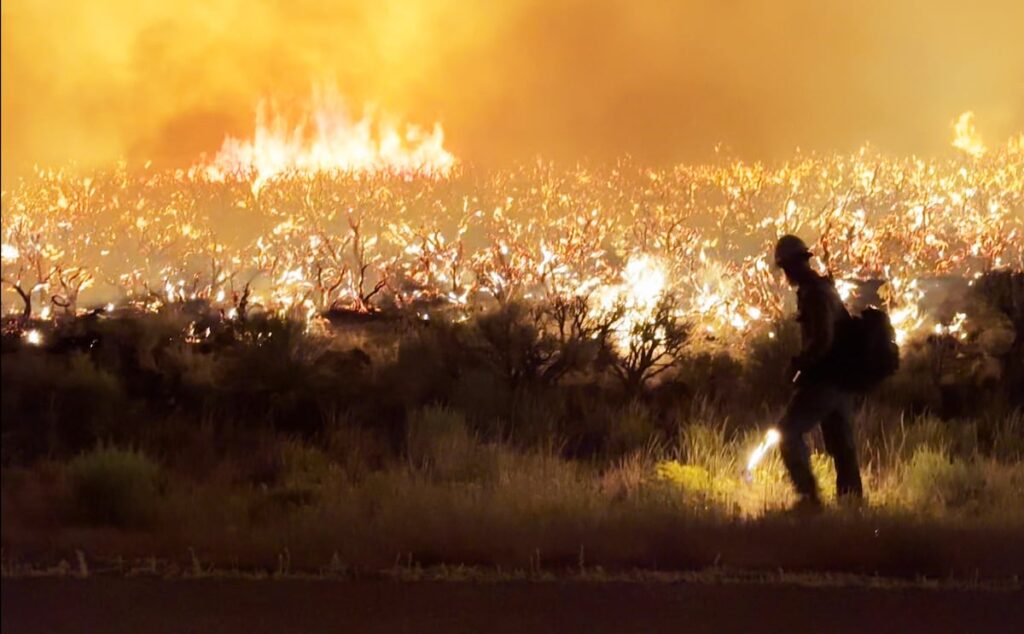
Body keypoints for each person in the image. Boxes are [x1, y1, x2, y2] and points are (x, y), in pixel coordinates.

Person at [773, 235, 863, 513]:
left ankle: (809, 499)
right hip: (842, 380)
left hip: (825, 380)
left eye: (786, 267)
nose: (786, 274)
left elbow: (822, 338)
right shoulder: (824, 289)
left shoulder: (814, 293)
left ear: (792, 265)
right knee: (842, 446)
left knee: (787, 433)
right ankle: (852, 509)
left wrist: (800, 365)